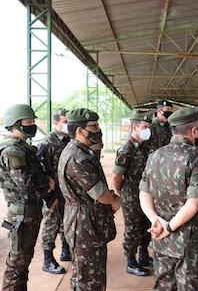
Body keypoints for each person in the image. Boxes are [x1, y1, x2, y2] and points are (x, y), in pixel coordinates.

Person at [140, 107, 198, 290]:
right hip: (188, 240)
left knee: (163, 285)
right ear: (194, 131)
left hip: (160, 236)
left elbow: (144, 193)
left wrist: (156, 221)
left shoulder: (154, 156)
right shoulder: (196, 158)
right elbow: (194, 203)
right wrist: (170, 227)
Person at [58, 108, 120, 291]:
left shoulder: (78, 151)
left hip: (85, 221)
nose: (98, 129)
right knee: (89, 280)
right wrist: (114, 200)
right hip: (85, 225)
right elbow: (100, 194)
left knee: (85, 275)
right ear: (79, 131)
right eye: (93, 126)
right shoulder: (78, 157)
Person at [0, 104, 55, 291]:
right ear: (15, 124)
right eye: (28, 122)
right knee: (16, 265)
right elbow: (25, 184)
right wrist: (47, 183)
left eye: (33, 121)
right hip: (22, 213)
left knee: (23, 263)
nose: (32, 125)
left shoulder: (23, 148)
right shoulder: (13, 151)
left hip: (28, 211)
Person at [112, 112, 153, 277]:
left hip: (145, 193)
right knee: (133, 228)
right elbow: (116, 176)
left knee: (145, 226)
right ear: (134, 128)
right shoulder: (126, 149)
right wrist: (120, 192)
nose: (147, 131)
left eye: (149, 128)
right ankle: (131, 261)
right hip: (131, 195)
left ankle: (143, 255)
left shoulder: (144, 146)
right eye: (144, 127)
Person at [37, 108, 71, 275]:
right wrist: (49, 196)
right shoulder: (46, 143)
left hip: (67, 191)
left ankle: (66, 250)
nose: (68, 125)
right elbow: (41, 173)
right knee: (51, 224)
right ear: (56, 123)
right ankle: (48, 259)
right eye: (65, 122)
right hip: (53, 193)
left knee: (67, 222)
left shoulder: (69, 140)